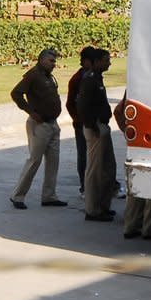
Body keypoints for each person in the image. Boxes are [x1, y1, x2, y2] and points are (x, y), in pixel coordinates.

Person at [9, 49, 68, 210]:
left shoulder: (48, 76)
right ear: (41, 60)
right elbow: (16, 93)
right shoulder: (33, 75)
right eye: (51, 61)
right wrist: (31, 112)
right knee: (34, 160)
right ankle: (17, 196)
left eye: (54, 61)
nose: (54, 64)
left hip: (52, 124)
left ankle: (49, 196)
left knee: (53, 162)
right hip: (39, 125)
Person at [114, 93, 151, 240]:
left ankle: (130, 226)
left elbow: (118, 111)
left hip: (137, 142)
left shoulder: (133, 89)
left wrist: (126, 132)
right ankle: (150, 228)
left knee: (136, 186)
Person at [77, 49, 115, 222]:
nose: (109, 63)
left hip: (102, 127)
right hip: (95, 129)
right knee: (94, 171)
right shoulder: (89, 79)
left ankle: (103, 206)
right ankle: (92, 210)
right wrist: (93, 126)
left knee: (107, 169)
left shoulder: (97, 78)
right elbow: (82, 106)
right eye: (106, 60)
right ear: (97, 61)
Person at [66, 46, 95, 198]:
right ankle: (84, 186)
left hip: (94, 122)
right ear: (85, 62)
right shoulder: (77, 79)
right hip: (81, 124)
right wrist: (78, 120)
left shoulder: (94, 76)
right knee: (83, 154)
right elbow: (70, 103)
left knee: (97, 155)